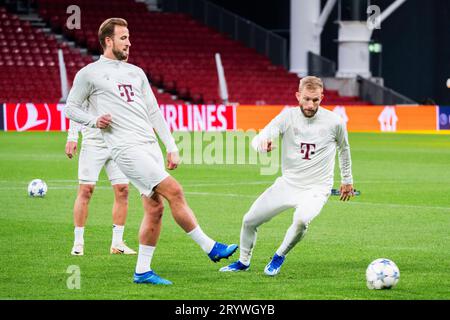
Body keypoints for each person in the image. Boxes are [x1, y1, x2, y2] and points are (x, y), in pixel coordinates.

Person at [64, 18, 237, 285]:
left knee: (155, 209)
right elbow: (71, 108)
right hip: (125, 148)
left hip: (149, 145)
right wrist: (92, 122)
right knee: (175, 191)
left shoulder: (136, 73)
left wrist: (170, 146)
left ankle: (142, 271)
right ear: (108, 41)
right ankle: (210, 247)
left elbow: (155, 112)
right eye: (123, 38)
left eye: (129, 37)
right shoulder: (89, 74)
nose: (129, 43)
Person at [220, 76, 355, 276]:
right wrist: (262, 146)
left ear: (322, 97)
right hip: (288, 184)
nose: (311, 105)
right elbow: (258, 138)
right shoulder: (287, 117)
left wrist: (347, 180)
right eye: (307, 99)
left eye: (316, 100)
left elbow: (344, 149)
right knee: (249, 220)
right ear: (298, 96)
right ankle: (243, 262)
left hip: (317, 188)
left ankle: (279, 256)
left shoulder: (335, 122)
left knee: (301, 220)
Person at [65, 118, 136, 256]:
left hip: (118, 143)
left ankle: (117, 243)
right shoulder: (84, 94)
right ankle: (78, 243)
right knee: (86, 190)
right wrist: (72, 136)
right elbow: (75, 105)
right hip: (93, 144)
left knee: (123, 190)